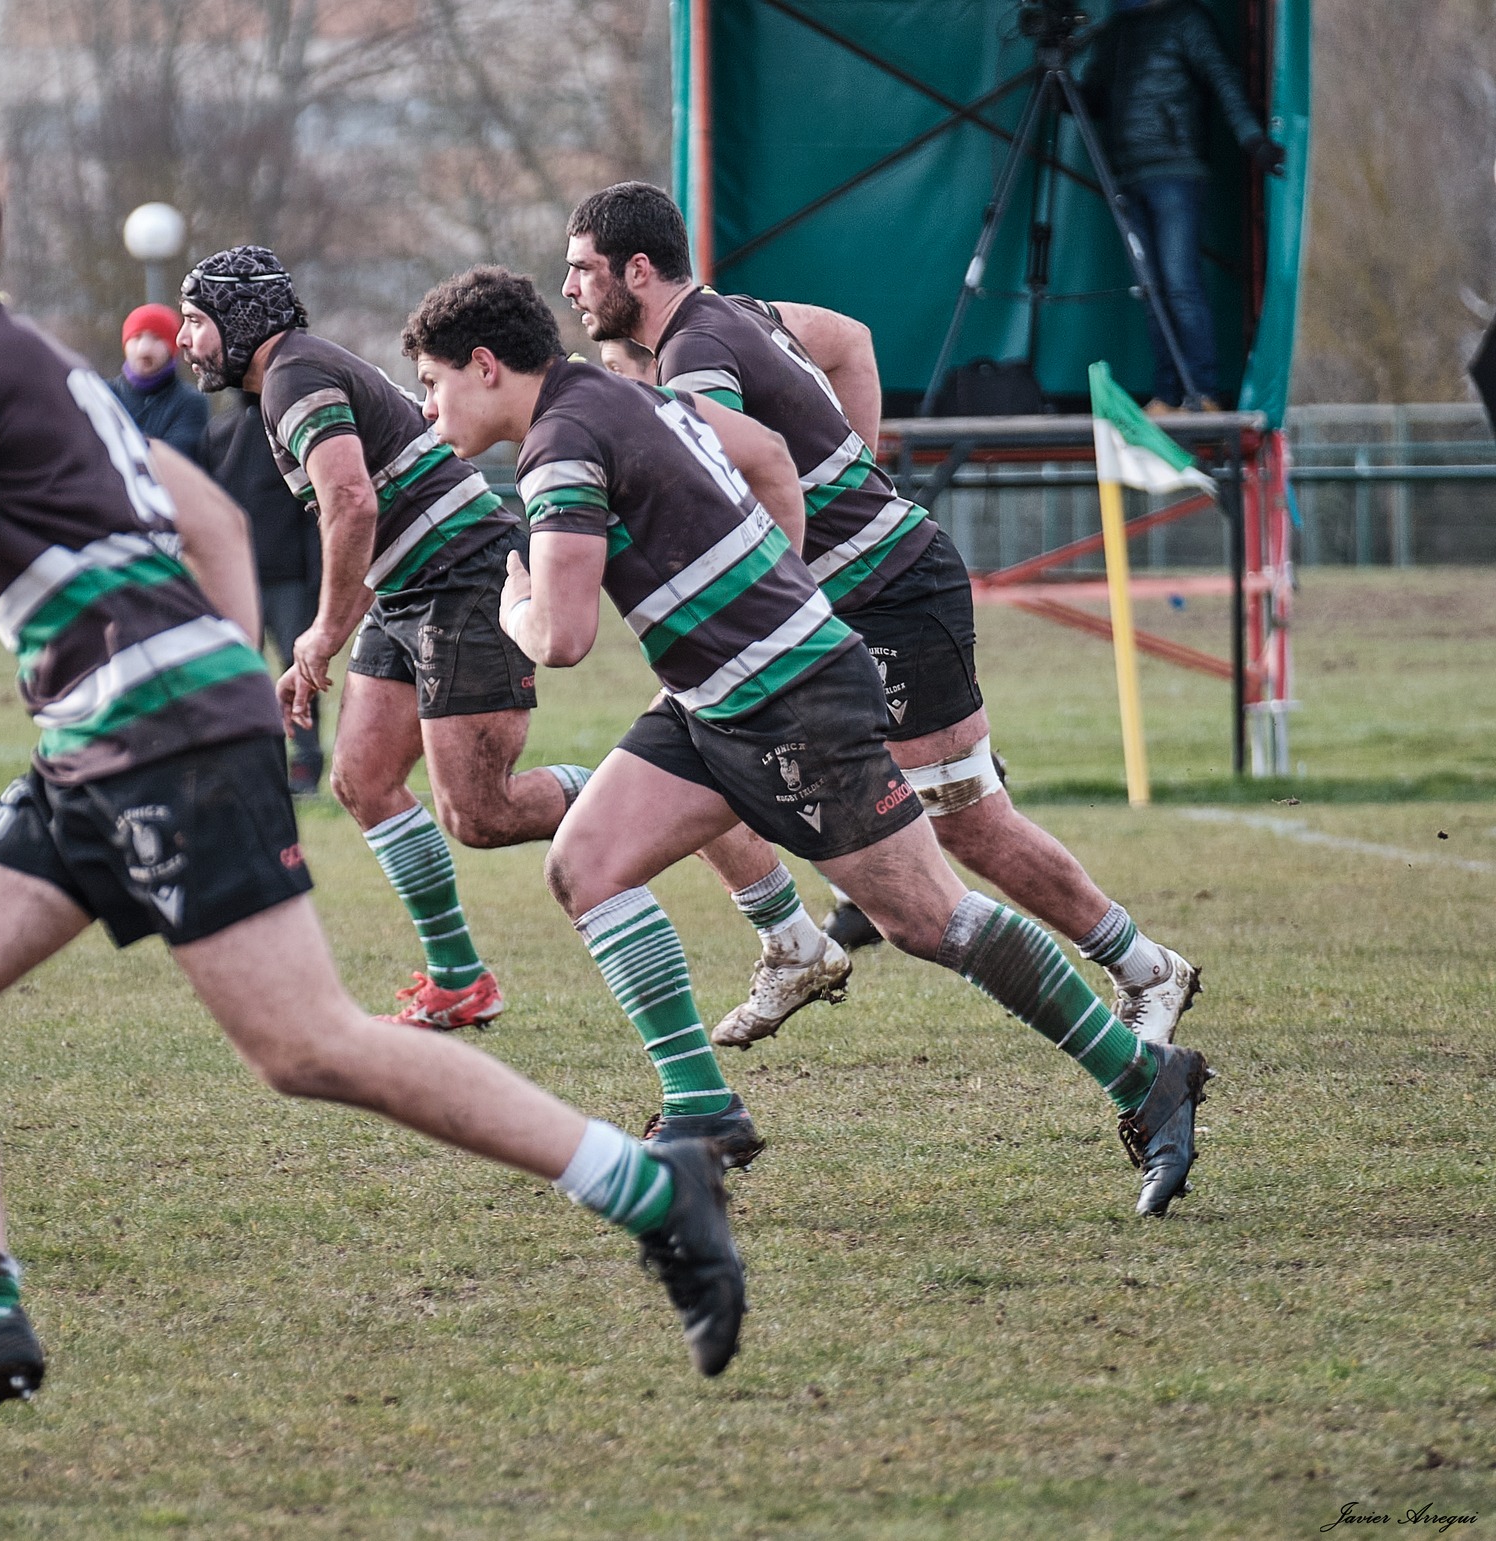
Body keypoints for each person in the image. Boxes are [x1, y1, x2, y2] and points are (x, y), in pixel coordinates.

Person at [0, 145, 747, 1437]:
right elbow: (215, 526)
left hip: (152, 735)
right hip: (111, 736)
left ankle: (652, 1188)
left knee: (308, 1045)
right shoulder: (38, 359)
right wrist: (221, 675)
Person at [402, 264, 1212, 1218]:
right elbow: (770, 461)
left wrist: (517, 605)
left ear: (485, 365)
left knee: (929, 919)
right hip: (717, 696)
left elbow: (564, 637)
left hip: (791, 701)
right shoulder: (627, 392)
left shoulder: (561, 446)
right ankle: (703, 1111)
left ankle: (1144, 1076)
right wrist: (773, 588)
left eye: (431, 383)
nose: (426, 409)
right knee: (587, 865)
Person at [563, 182, 1204, 1068]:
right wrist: (857, 480)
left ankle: (1147, 968)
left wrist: (813, 539)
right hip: (842, 600)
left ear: (638, 269)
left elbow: (745, 480)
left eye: (583, 268)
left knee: (967, 823)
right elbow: (852, 343)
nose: (571, 288)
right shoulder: (739, 313)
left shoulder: (695, 356)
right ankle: (792, 941)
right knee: (691, 742)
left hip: (893, 595)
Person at [176, 245, 593, 1030]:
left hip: (466, 574)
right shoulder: (290, 376)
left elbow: (353, 504)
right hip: (409, 584)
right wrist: (327, 638)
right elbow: (380, 512)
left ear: (242, 318)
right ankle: (459, 979)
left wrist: (321, 635)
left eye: (197, 320)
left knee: (482, 812)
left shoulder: (294, 378)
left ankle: (642, 793)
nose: (184, 339)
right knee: (362, 778)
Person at [1083, 0, 1285, 412]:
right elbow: (1095, 99)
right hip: (1128, 176)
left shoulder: (1186, 20)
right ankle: (1168, 394)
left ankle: (1202, 394)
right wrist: (1059, 86)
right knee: (1153, 294)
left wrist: (1254, 142)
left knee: (1179, 287)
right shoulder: (1116, 33)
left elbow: (1223, 78)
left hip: (1175, 172)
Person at [203, 392, 324, 793]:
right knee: (238, 676)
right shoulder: (218, 433)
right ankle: (248, 766)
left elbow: (310, 509)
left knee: (300, 669)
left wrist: (316, 580)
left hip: (290, 580)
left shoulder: (287, 433)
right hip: (236, 581)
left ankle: (305, 763)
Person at [110, 303, 209, 459]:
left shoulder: (190, 403)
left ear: (172, 348)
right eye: (136, 337)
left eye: (156, 338)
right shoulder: (102, 393)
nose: (144, 349)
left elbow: (176, 459)